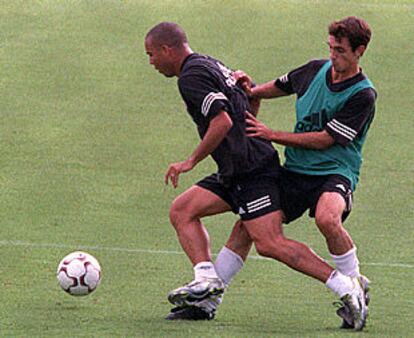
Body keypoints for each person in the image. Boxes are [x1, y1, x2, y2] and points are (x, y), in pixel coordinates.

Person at [144, 22, 367, 330]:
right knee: (184, 210)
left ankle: (346, 285)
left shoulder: (192, 77)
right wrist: (255, 101)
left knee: (271, 242)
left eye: (151, 54)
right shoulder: (209, 64)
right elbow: (243, 103)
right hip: (237, 168)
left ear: (167, 50)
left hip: (254, 170)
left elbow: (221, 121)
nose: (151, 62)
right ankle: (207, 287)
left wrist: (190, 161)